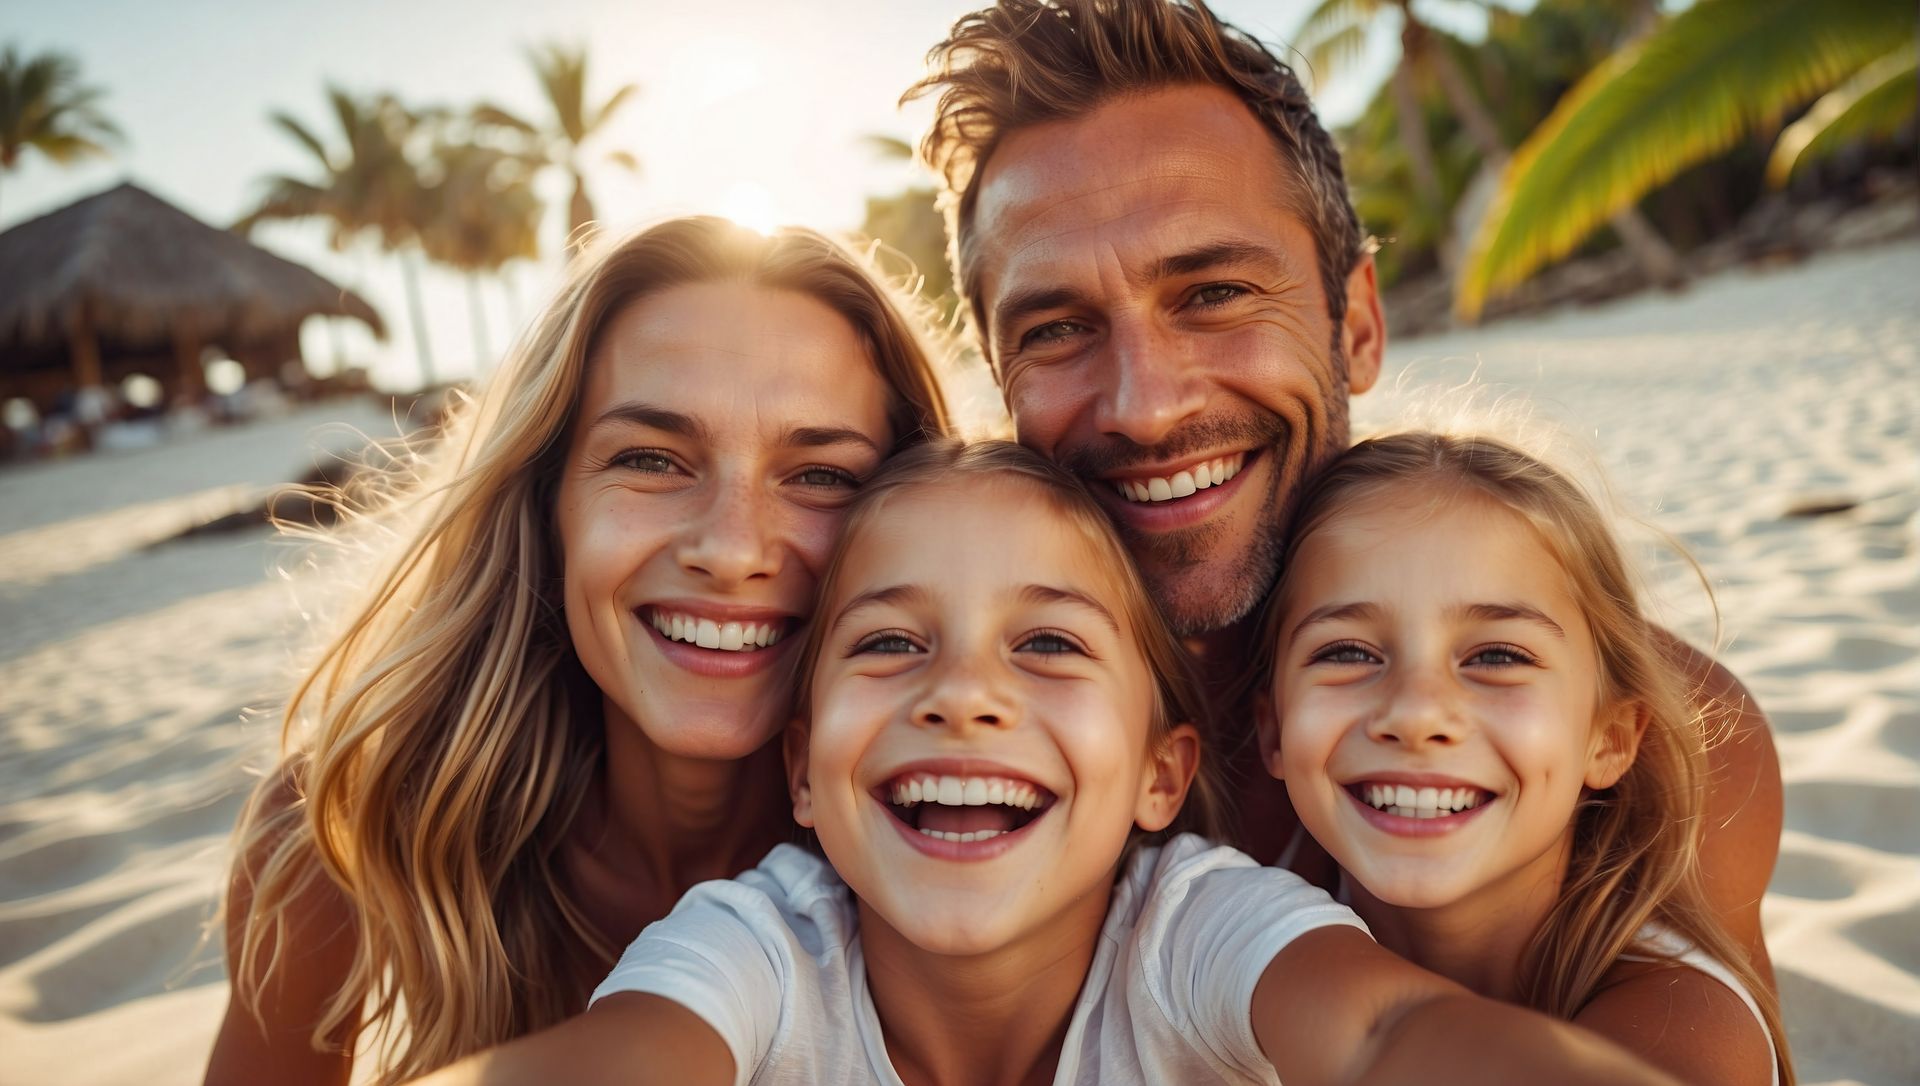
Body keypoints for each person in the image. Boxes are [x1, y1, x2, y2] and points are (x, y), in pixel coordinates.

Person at [904, 0, 1781, 986]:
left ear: (1357, 323)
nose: (1144, 409)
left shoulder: (1648, 735)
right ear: (998, 381)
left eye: (1214, 294)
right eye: (1058, 328)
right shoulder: (922, 739)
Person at [407, 439, 1677, 1086]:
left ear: (1161, 774)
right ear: (803, 773)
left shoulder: (1190, 925)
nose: (964, 695)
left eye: (1051, 644)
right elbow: (625, 1055)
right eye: (894, 641)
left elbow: (1390, 1030)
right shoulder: (760, 950)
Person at [204, 216, 952, 1086]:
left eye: (822, 476)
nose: (735, 548)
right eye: (653, 460)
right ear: (546, 503)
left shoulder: (981, 823)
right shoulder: (342, 832)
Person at [1255, 431, 1792, 1084]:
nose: (1417, 714)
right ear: (1273, 729)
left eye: (1497, 657)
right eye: (1347, 652)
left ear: (1610, 739)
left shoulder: (1689, 1018)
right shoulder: (1232, 919)